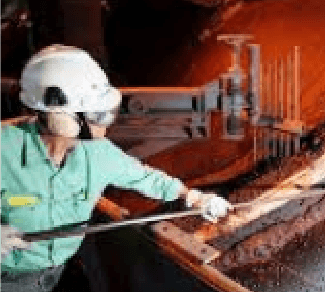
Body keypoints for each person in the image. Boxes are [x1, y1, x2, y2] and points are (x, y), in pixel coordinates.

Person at [0, 44, 233, 292]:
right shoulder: (5, 149)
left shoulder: (98, 153)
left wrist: (195, 198)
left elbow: (145, 178)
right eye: (94, 113)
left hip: (56, 272)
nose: (104, 123)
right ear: (54, 111)